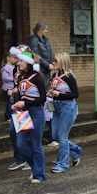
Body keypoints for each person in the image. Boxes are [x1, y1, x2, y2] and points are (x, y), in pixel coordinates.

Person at [9, 46, 47, 183]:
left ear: (28, 62)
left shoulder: (37, 77)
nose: (18, 63)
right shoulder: (20, 77)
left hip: (36, 113)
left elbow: (43, 98)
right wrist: (16, 104)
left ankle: (39, 174)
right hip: (23, 114)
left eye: (21, 61)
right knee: (21, 144)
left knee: (36, 144)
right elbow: (21, 96)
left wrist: (25, 103)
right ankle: (34, 167)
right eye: (18, 61)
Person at [48, 52, 83, 173]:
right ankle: (75, 151)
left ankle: (63, 163)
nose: (53, 63)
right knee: (55, 136)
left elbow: (75, 94)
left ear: (62, 63)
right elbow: (54, 90)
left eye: (55, 61)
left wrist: (60, 94)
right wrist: (51, 93)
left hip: (67, 107)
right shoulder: (54, 75)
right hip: (56, 106)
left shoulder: (69, 76)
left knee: (62, 136)